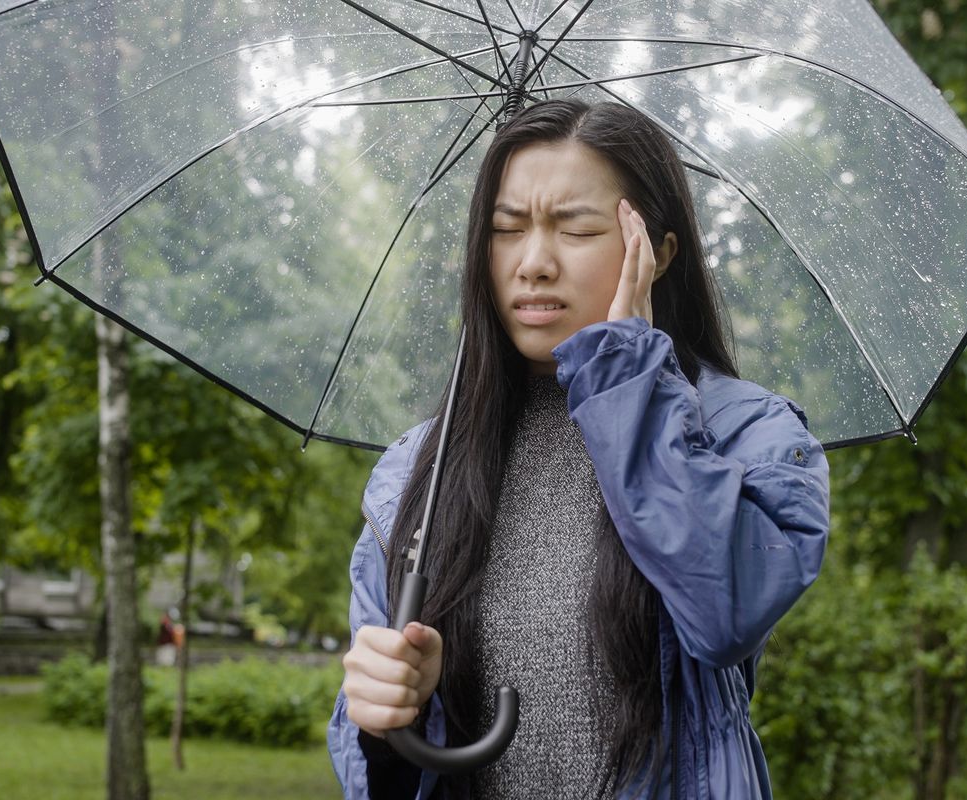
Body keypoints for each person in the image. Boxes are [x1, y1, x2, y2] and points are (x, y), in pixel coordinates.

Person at [327, 99, 830, 799]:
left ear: (658, 252)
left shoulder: (750, 436)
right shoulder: (415, 472)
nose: (533, 263)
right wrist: (385, 723)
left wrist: (628, 374)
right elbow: (378, 773)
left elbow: (726, 611)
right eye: (506, 230)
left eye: (577, 228)